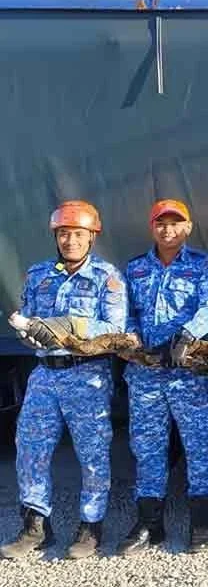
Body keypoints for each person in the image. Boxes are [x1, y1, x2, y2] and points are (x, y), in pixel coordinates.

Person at [0, 201, 127, 560]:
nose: (70, 240)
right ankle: (35, 526)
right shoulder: (39, 274)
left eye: (78, 234)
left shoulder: (108, 277)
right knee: (30, 450)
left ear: (92, 237)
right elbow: (27, 319)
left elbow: (116, 329)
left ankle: (91, 529)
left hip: (88, 374)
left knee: (92, 455)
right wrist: (29, 332)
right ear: (56, 237)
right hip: (45, 375)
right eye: (64, 234)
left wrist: (67, 326)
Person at [117, 199, 208, 555]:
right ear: (152, 228)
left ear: (188, 228)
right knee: (147, 449)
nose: (168, 229)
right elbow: (126, 312)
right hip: (145, 373)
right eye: (161, 223)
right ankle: (150, 524)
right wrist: (131, 336)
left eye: (175, 223)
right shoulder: (134, 269)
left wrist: (187, 335)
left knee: (199, 446)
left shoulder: (203, 266)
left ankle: (201, 523)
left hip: (188, 373)